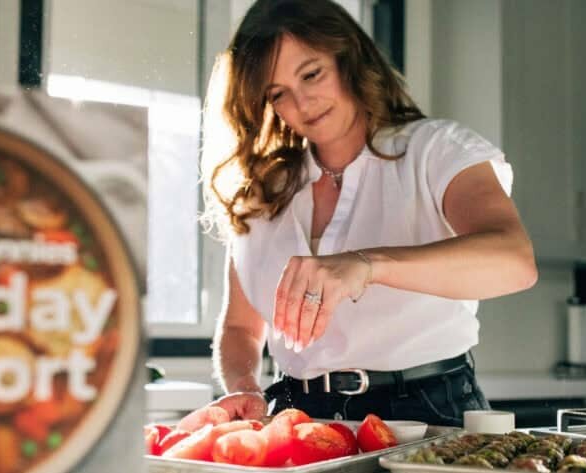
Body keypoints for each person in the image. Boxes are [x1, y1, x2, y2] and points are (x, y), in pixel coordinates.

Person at [198, 0, 537, 426]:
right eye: (278, 93)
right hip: (297, 417)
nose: (303, 103)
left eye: (311, 74)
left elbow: (514, 261)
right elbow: (240, 330)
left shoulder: (437, 151)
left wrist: (366, 265)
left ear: (348, 58)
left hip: (428, 410)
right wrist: (244, 386)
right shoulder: (262, 194)